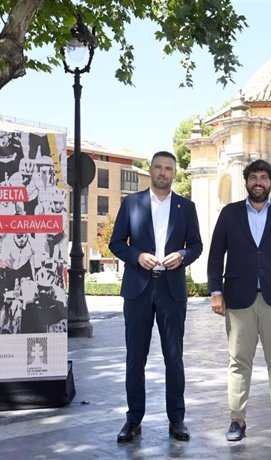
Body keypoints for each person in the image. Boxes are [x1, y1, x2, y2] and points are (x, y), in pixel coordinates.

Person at [207, 159, 271, 442]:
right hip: (238, 299)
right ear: (246, 182)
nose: (259, 182)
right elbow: (216, 255)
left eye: (264, 177)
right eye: (254, 177)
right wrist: (215, 291)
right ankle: (237, 420)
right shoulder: (229, 214)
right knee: (239, 362)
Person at [109, 151, 203, 443]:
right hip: (138, 289)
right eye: (159, 168)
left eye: (169, 169)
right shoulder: (131, 203)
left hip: (171, 290)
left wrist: (183, 255)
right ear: (150, 170)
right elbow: (116, 243)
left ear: (175, 174)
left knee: (174, 358)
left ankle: (177, 420)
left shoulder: (186, 207)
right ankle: (133, 419)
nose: (163, 173)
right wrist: (138, 256)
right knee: (135, 358)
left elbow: (197, 245)